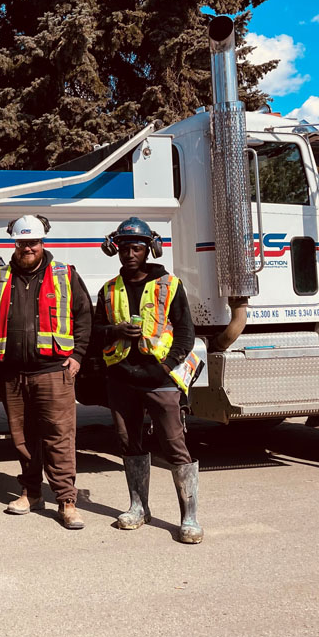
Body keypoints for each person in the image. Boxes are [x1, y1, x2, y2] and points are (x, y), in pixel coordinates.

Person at [0, 215, 92, 529]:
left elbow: (84, 316)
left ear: (42, 243)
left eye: (33, 242)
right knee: (22, 438)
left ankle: (66, 501)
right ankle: (31, 493)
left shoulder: (65, 275)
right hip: (13, 374)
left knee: (59, 437)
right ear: (15, 244)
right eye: (22, 242)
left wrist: (78, 355)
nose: (28, 248)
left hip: (53, 371)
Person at [94, 217, 204, 544]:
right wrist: (115, 331)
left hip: (160, 379)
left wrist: (166, 367)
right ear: (115, 250)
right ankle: (138, 508)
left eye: (137, 248)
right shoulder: (109, 290)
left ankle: (189, 517)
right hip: (122, 378)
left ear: (149, 249)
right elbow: (96, 332)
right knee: (129, 443)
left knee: (174, 444)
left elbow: (185, 334)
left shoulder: (169, 285)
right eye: (124, 248)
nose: (130, 254)